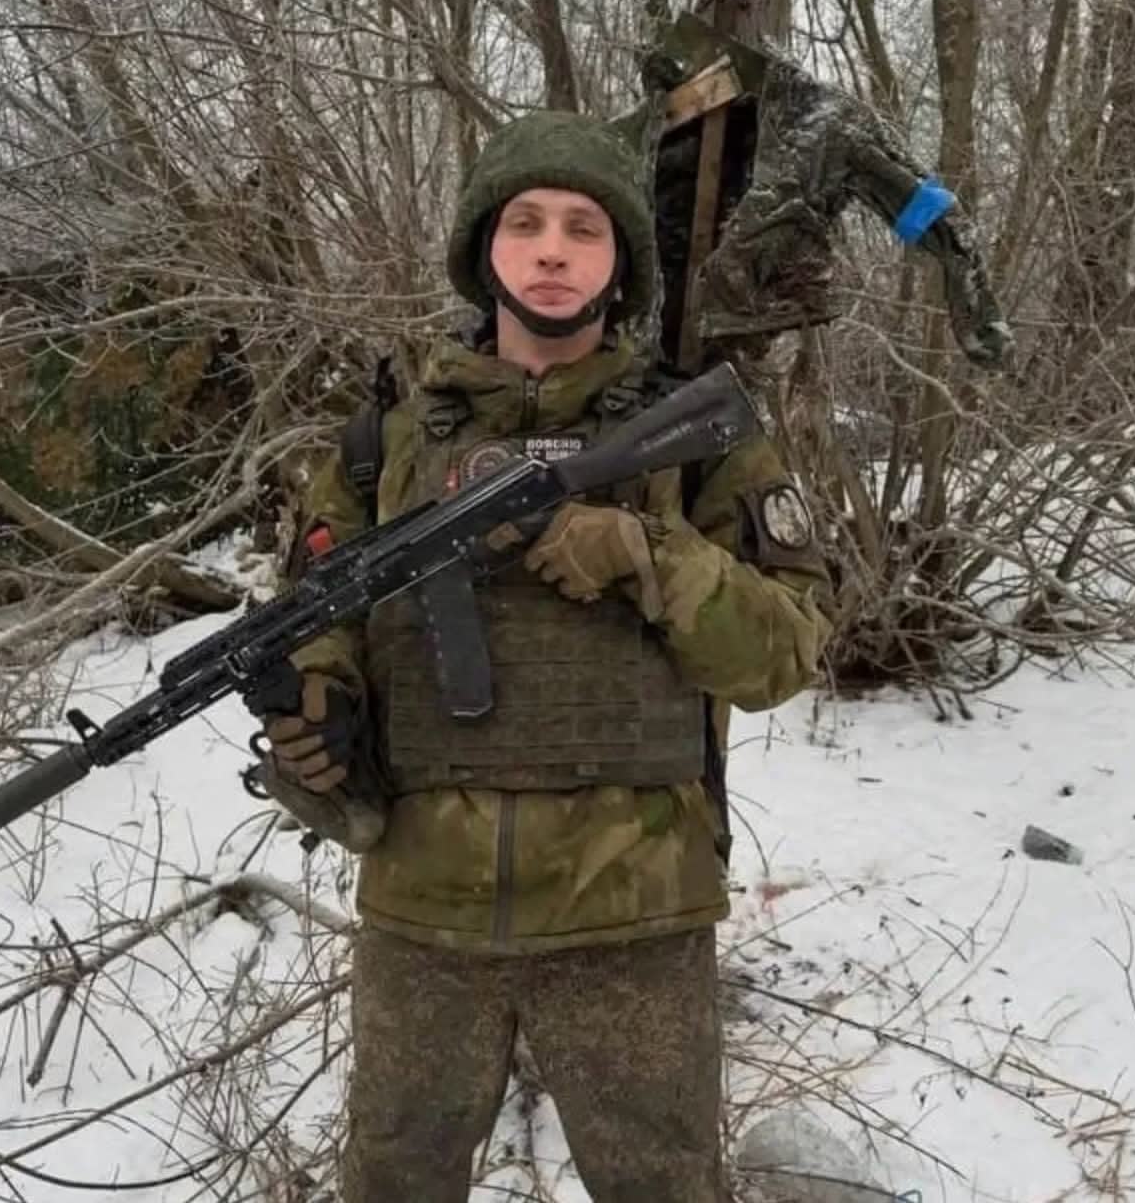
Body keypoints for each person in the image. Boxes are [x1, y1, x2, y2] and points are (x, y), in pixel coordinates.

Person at [259, 109, 832, 1203]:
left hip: (635, 912)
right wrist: (316, 704)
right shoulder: (381, 445)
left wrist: (645, 554)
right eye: (524, 223)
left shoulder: (692, 437)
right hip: (424, 913)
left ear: (621, 260)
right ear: (485, 249)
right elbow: (315, 616)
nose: (553, 250)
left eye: (583, 226)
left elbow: (787, 653)